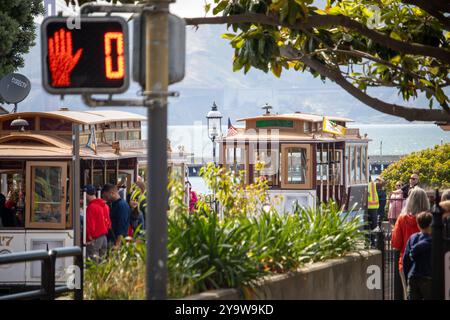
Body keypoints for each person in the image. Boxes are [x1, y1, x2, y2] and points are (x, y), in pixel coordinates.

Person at [392, 187, 430, 299]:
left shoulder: (402, 219)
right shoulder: (429, 218)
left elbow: (396, 244)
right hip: (428, 264)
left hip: (406, 264)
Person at [403, 211, 432, 300]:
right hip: (428, 277)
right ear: (430, 225)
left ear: (418, 225)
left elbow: (406, 259)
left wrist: (407, 275)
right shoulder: (433, 240)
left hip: (413, 276)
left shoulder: (412, 238)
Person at [84, 185, 111, 260]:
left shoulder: (91, 207)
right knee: (102, 262)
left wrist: (88, 238)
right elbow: (108, 223)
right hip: (104, 237)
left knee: (93, 261)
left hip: (95, 238)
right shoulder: (105, 205)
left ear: (86, 194)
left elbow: (90, 225)